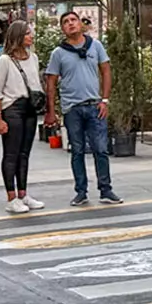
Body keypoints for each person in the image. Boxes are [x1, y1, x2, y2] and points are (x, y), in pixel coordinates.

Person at [43, 11, 121, 207]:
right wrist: (51, 111)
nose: (70, 24)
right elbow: (51, 83)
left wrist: (105, 99)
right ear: (62, 28)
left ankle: (106, 189)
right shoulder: (58, 53)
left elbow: (105, 70)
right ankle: (81, 191)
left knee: (101, 149)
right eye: (66, 22)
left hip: (95, 105)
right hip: (72, 108)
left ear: (80, 23)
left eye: (73, 20)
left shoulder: (95, 46)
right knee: (77, 151)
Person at [0, 20, 46, 214]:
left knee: (25, 153)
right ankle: (11, 197)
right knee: (11, 153)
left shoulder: (33, 58)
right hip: (12, 107)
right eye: (27, 34)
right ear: (18, 37)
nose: (31, 37)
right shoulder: (4, 60)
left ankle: (23, 193)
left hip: (29, 107)